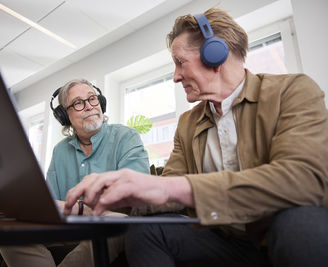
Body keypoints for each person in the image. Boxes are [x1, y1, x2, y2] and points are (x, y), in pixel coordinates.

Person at [64, 8, 328, 267]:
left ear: (216, 54)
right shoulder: (188, 122)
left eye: (180, 62)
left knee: (300, 223)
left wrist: (172, 187)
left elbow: (303, 178)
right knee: (146, 229)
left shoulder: (292, 91)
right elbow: (168, 191)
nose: (176, 76)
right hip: (225, 240)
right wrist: (125, 196)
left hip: (279, 233)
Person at [0, 79, 149, 267]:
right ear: (64, 115)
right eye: (78, 102)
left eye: (92, 99)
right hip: (66, 228)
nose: (89, 106)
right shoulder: (60, 151)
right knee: (6, 231)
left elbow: (136, 191)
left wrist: (80, 208)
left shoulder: (126, 137)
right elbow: (50, 204)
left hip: (111, 221)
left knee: (117, 223)